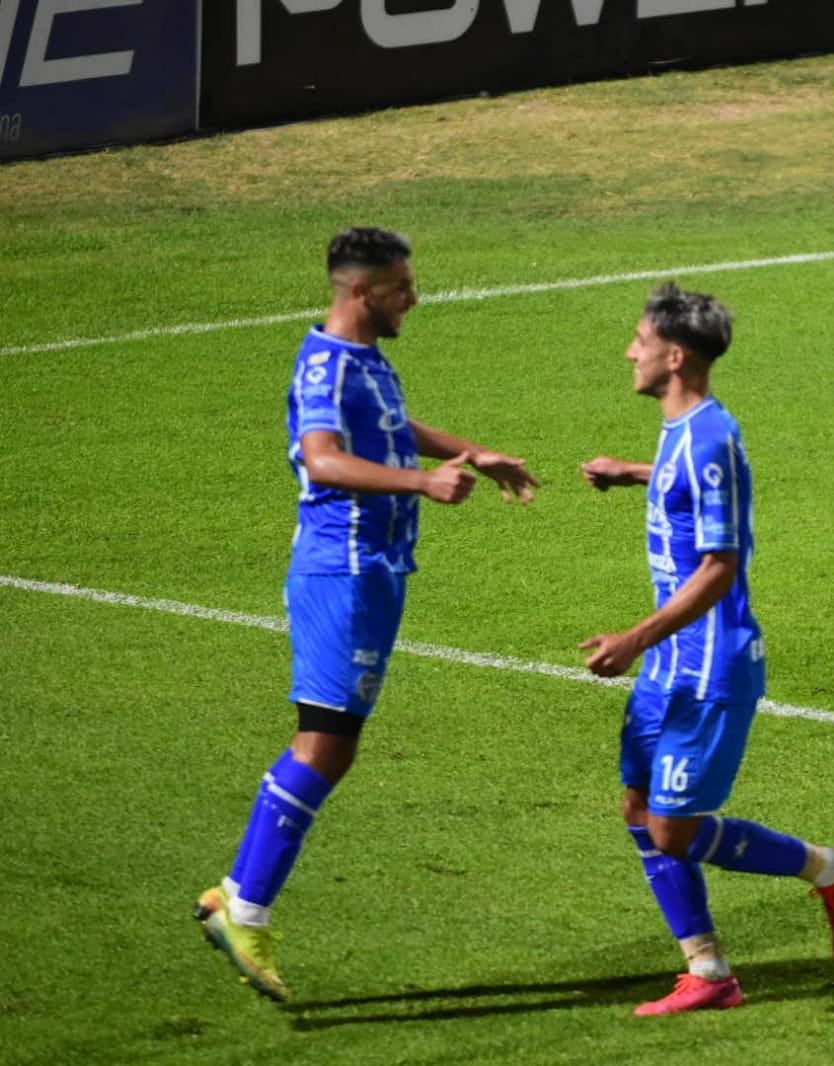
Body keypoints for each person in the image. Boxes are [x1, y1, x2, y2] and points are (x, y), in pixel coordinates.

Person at [194, 226, 539, 1002]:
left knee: (333, 745)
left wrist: (472, 450)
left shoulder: (364, 360)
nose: (413, 297)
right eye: (401, 287)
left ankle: (236, 897)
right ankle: (241, 906)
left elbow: (387, 424)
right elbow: (321, 457)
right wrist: (420, 484)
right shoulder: (323, 364)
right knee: (322, 745)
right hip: (340, 571)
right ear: (361, 291)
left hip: (374, 570)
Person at [579, 282, 834, 1016]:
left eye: (639, 341)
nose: (629, 352)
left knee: (672, 830)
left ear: (673, 356)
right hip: (668, 666)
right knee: (638, 809)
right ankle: (707, 971)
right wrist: (637, 477)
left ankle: (831, 868)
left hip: (707, 666)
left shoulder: (708, 438)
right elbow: (698, 486)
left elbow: (719, 566)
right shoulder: (682, 433)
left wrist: (631, 637)